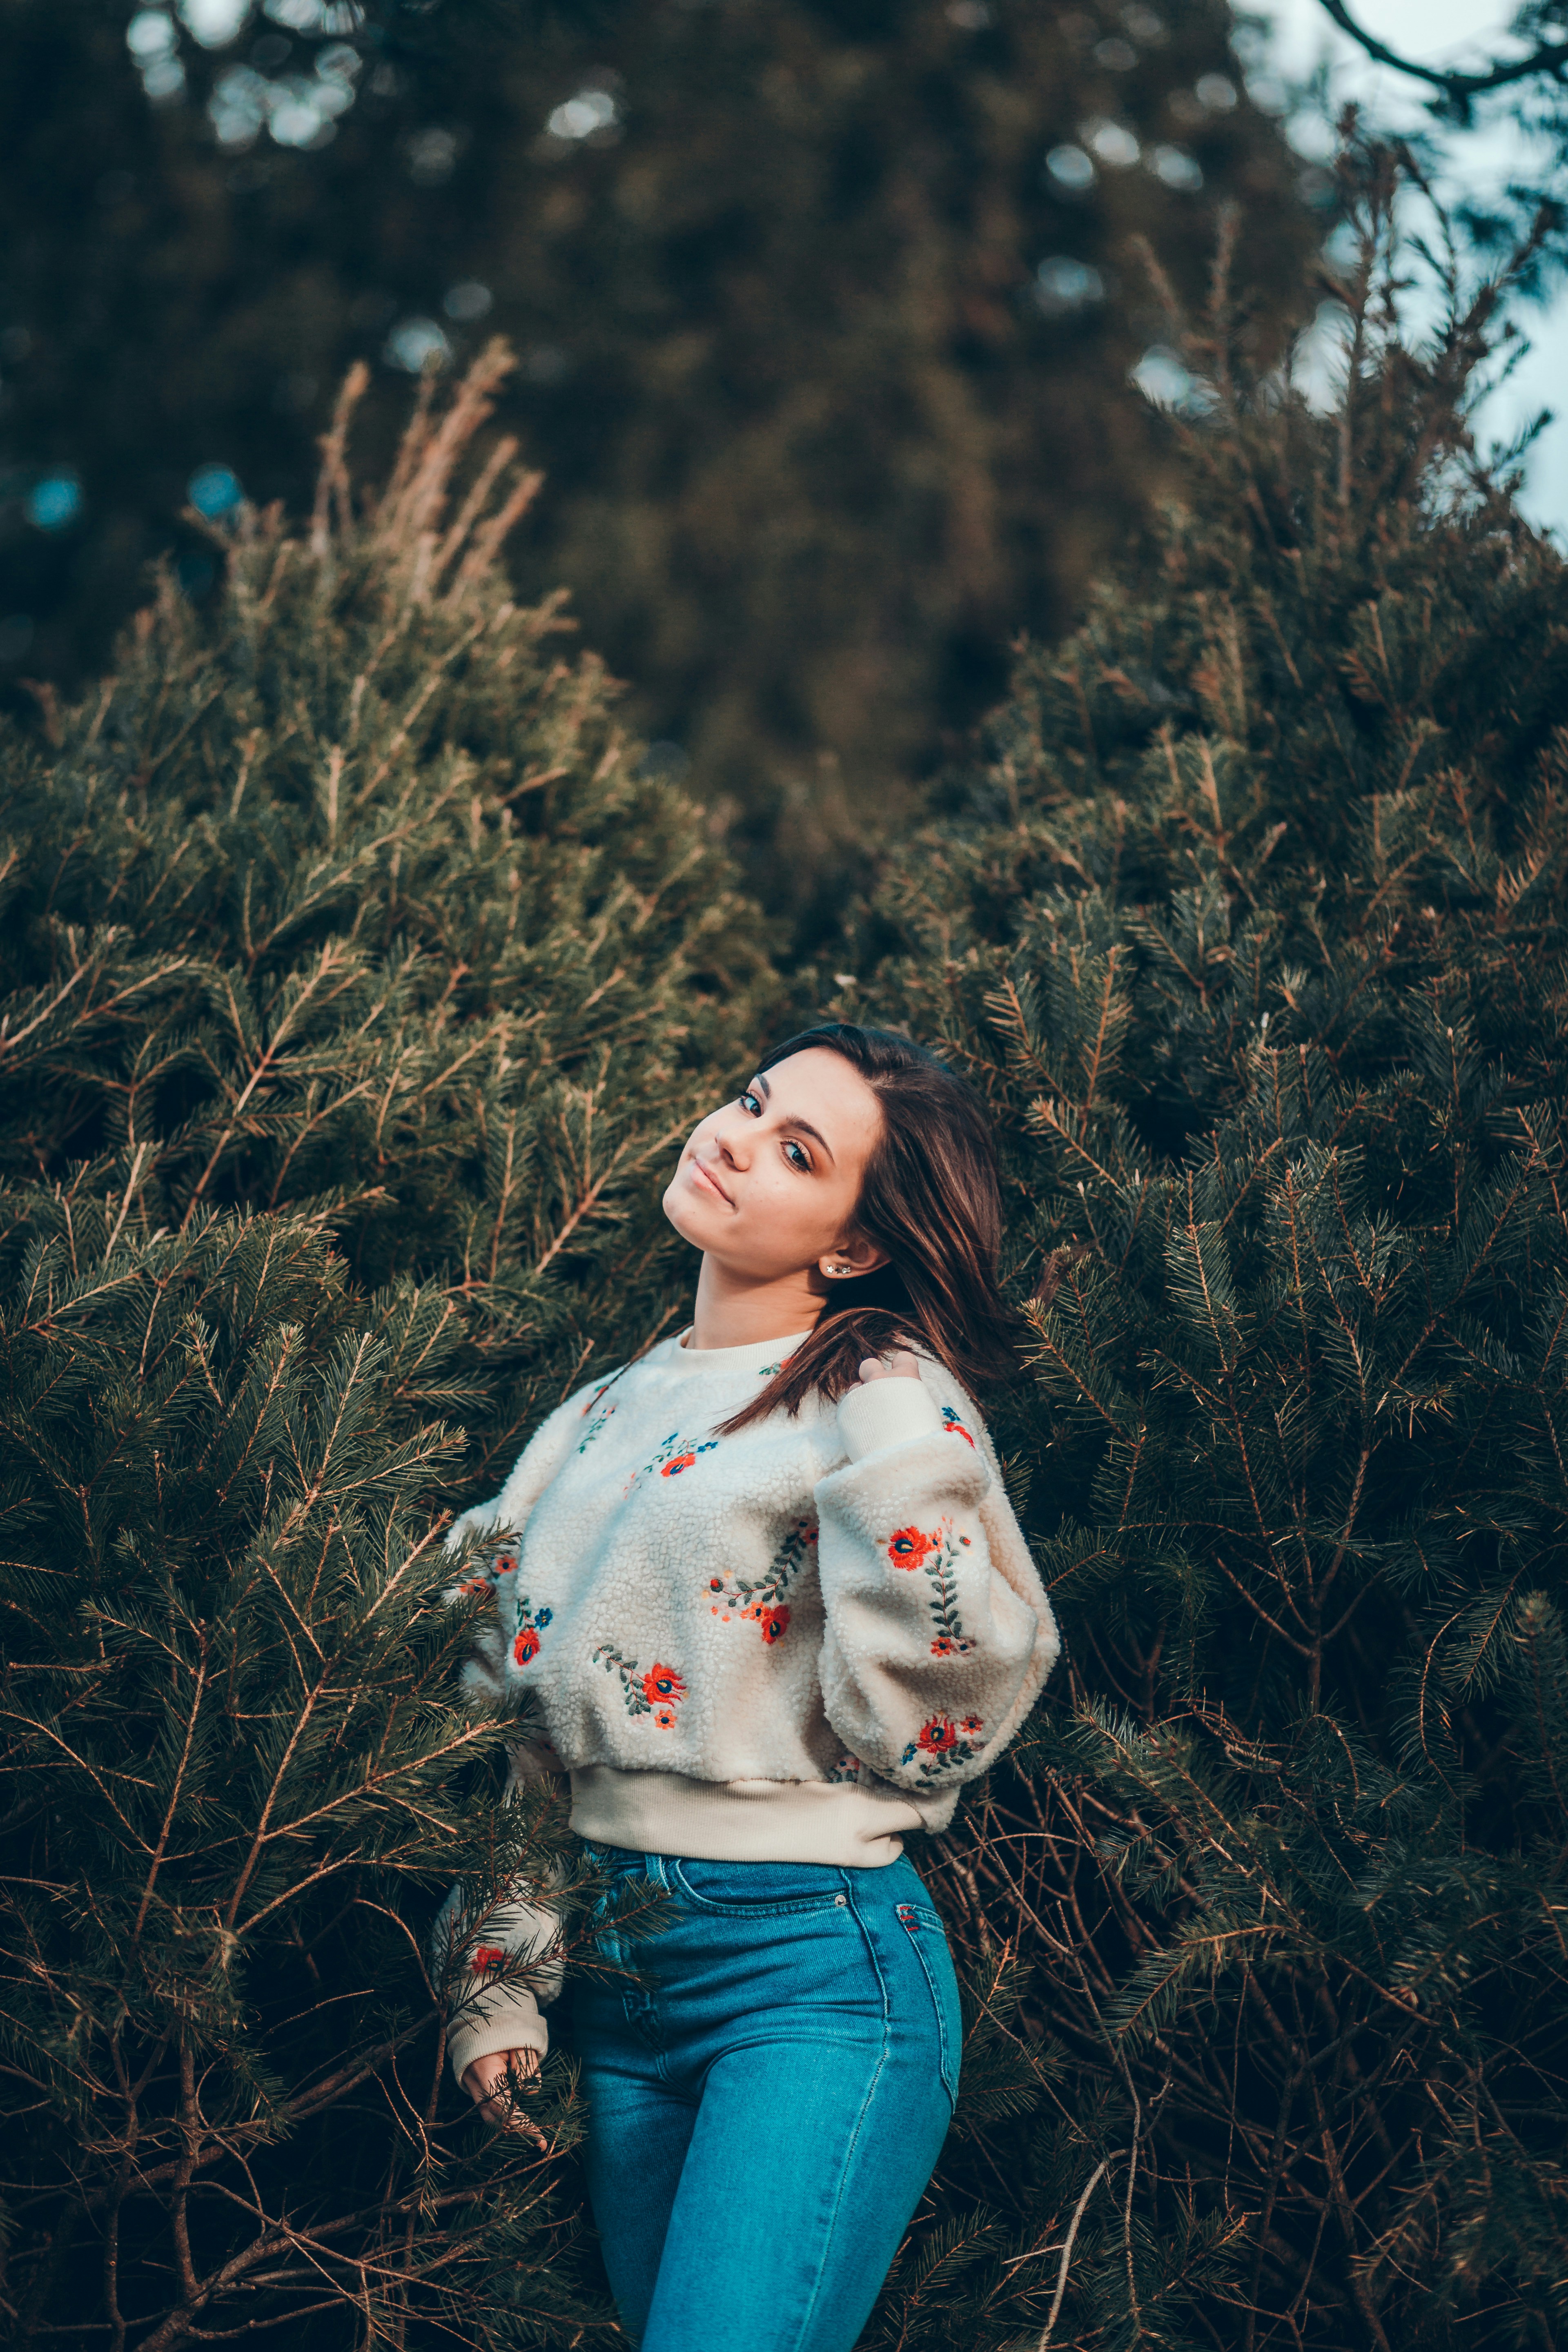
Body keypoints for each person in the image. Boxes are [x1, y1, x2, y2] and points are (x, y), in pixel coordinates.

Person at [438, 1023, 1059, 2352]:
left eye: (794, 1150)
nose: (729, 1135)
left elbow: (938, 1722)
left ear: (852, 1247)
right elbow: (520, 1723)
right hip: (611, 1984)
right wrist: (499, 1969)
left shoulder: (887, 1405)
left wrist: (901, 1446)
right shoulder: (596, 1416)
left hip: (810, 1974)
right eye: (750, 1099)